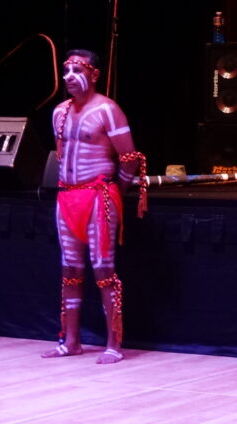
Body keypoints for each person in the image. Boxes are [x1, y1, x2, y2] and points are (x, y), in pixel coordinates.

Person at [42, 49, 146, 364]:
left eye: (77, 71)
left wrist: (115, 192)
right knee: (70, 271)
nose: (69, 77)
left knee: (103, 271)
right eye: (66, 71)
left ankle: (113, 345)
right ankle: (70, 341)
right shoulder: (59, 112)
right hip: (67, 197)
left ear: (94, 74)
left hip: (98, 197)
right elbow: (61, 155)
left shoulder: (108, 111)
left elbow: (129, 160)